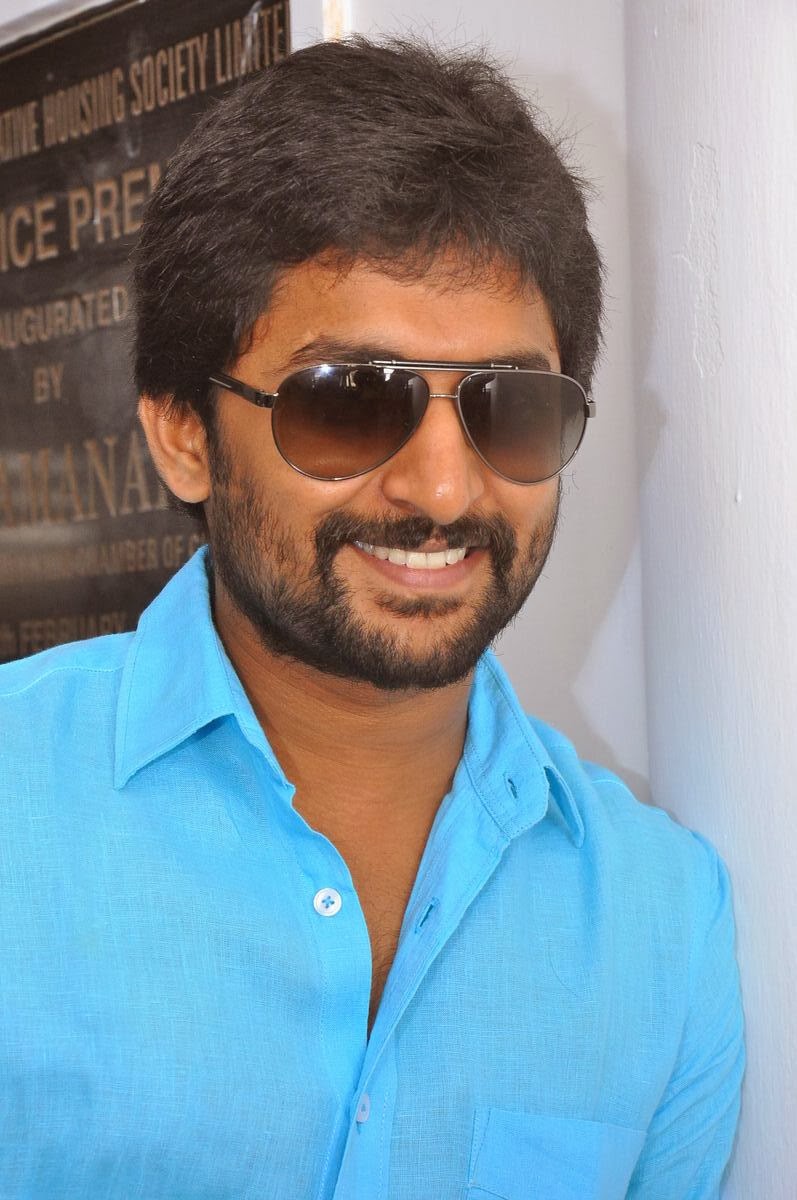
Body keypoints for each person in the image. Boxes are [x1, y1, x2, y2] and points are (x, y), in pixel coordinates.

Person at [0, 36, 744, 1199]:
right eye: (349, 401)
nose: (442, 488)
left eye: (508, 406)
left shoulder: (660, 921)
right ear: (184, 434)